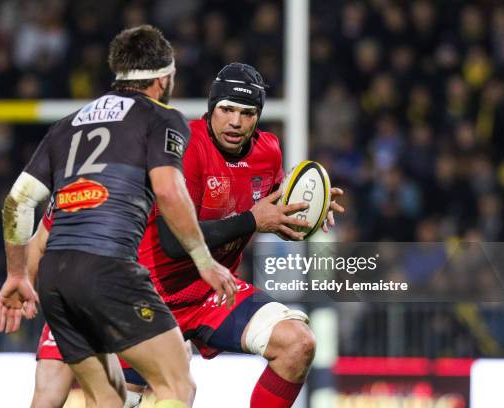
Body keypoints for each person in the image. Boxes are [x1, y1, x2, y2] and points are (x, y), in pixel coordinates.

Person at [24, 62, 345, 408]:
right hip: (146, 299)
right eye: (227, 109)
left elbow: (271, 203)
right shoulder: (184, 146)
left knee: (298, 344)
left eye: (247, 113)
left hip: (212, 294)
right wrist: (253, 221)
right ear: (211, 108)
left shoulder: (268, 152)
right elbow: (174, 242)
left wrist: (304, 208)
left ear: (258, 117)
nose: (236, 122)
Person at [0, 25, 238, 408]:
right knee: (177, 386)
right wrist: (205, 261)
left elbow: (16, 204)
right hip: (107, 270)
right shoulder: (161, 117)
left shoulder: (67, 124)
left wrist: (16, 275)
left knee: (107, 399)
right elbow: (169, 190)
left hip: (56, 278)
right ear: (164, 78)